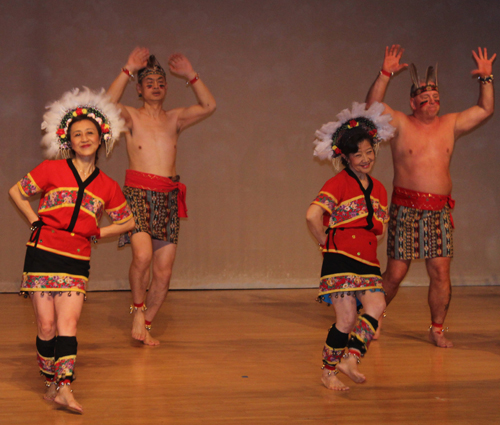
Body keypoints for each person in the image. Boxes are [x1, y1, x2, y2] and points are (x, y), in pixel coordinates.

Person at [9, 88, 135, 413]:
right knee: (46, 327)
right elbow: (17, 192)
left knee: (69, 325)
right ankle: (49, 378)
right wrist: (35, 220)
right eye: (77, 134)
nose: (83, 138)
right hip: (43, 253)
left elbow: (127, 221)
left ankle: (65, 387)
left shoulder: (107, 185)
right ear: (68, 139)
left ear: (101, 137)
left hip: (76, 258)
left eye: (89, 133)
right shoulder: (51, 169)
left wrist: (97, 231)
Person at [365, 45, 496, 347]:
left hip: (438, 211)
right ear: (413, 101)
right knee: (395, 273)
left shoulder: (450, 124)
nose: (433, 101)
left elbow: (485, 109)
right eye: (426, 97)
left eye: (437, 97)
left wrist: (486, 79)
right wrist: (385, 73)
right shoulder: (399, 122)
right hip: (406, 208)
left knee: (440, 270)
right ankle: (372, 319)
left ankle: (437, 328)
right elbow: (371, 107)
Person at [107, 47, 216, 346]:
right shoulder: (130, 116)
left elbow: (208, 105)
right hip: (137, 194)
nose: (156, 86)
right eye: (149, 83)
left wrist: (190, 75)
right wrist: (128, 68)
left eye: (161, 82)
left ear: (166, 88)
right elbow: (104, 105)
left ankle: (147, 323)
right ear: (139, 90)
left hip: (167, 198)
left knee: (164, 274)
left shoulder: (175, 118)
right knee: (141, 256)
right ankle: (138, 312)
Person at [306, 102, 394, 391]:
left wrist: (367, 243)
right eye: (358, 154)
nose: (366, 158)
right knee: (346, 319)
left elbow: (378, 229)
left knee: (377, 305)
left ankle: (351, 359)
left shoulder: (379, 188)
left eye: (369, 152)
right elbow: (313, 215)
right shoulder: (338, 183)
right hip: (340, 256)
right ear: (346, 157)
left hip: (367, 259)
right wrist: (325, 242)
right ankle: (328, 372)